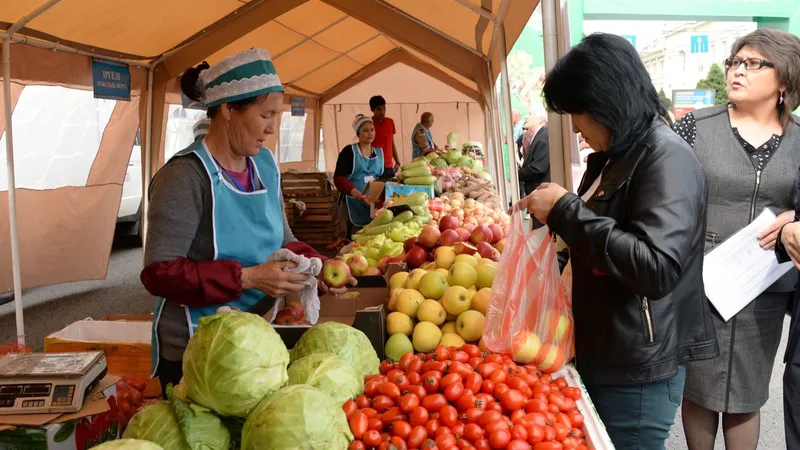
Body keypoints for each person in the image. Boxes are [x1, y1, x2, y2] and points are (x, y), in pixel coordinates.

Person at [515, 33, 719, 450]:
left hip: (637, 364)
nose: (575, 127)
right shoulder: (619, 156)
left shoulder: (666, 157)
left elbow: (655, 267)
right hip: (609, 348)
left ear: (606, 102)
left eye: (578, 113)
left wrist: (565, 211)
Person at [140, 48, 354, 394]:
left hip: (258, 332)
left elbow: (282, 238)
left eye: (276, 116)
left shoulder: (264, 164)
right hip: (198, 348)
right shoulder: (184, 177)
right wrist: (249, 277)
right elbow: (159, 272)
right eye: (265, 115)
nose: (272, 128)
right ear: (228, 110)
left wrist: (319, 264)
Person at [673, 29, 800, 450]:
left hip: (763, 284)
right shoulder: (696, 126)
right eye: (734, 62)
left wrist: (795, 217)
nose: (737, 71)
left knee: (748, 390)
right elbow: (665, 192)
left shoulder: (799, 139)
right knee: (700, 386)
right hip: (702, 281)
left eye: (753, 63)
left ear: (784, 80)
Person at [333, 114, 385, 238]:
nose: (370, 133)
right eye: (365, 130)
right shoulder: (349, 152)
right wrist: (355, 193)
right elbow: (339, 178)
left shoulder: (379, 152)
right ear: (358, 133)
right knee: (354, 238)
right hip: (352, 202)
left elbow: (383, 177)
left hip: (373, 203)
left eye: (372, 129)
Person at [370, 95, 400, 178]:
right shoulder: (369, 124)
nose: (382, 112)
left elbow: (392, 144)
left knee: (391, 186)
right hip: (374, 166)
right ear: (372, 110)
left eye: (384, 108)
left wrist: (397, 162)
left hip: (389, 166)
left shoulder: (390, 122)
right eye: (379, 109)